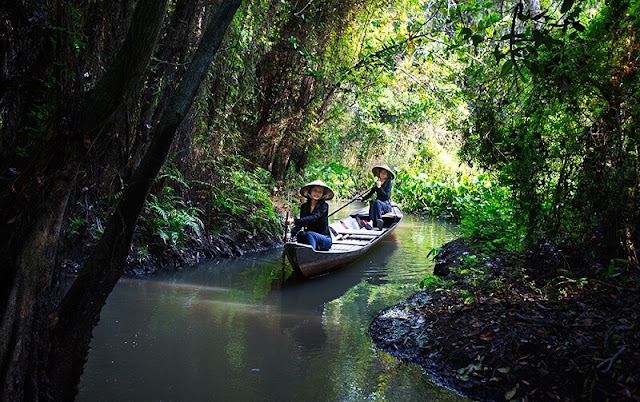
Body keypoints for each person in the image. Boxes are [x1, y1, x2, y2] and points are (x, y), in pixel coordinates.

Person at [285, 180, 334, 251]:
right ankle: (305, 252)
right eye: (315, 190)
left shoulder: (324, 206)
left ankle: (311, 253)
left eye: (320, 192)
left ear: (323, 194)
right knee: (301, 235)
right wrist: (291, 234)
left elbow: (313, 217)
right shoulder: (304, 206)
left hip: (324, 239)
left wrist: (293, 221)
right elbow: (301, 224)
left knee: (309, 234)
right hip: (310, 237)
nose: (317, 193)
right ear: (310, 191)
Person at [360, 165, 394, 230]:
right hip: (378, 206)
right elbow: (370, 193)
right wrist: (363, 198)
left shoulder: (388, 183)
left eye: (384, 173)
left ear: (387, 175)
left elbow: (387, 196)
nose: (382, 174)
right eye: (381, 173)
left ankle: (379, 220)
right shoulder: (377, 183)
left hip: (386, 205)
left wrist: (380, 188)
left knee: (377, 201)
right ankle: (371, 222)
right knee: (373, 201)